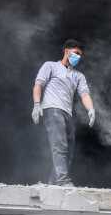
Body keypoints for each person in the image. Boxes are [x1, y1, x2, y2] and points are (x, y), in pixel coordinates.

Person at [32, 39, 96, 186]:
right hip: (52, 109)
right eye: (76, 53)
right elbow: (38, 85)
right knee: (59, 145)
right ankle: (62, 180)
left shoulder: (78, 76)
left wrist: (91, 109)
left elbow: (84, 94)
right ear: (66, 51)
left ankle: (53, 183)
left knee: (69, 150)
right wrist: (36, 104)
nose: (78, 57)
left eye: (80, 55)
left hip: (67, 113)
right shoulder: (51, 66)